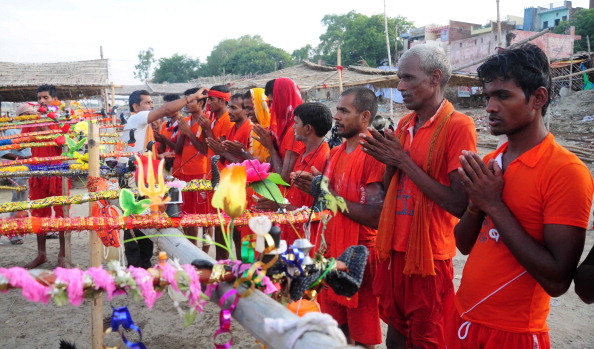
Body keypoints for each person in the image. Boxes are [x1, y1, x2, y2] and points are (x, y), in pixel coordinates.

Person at [447, 44, 594, 348]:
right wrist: (476, 204)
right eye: (487, 96)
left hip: (514, 333)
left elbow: (557, 280)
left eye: (502, 95)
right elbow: (463, 244)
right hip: (464, 318)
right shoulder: (493, 162)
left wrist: (493, 205)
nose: (489, 106)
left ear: (538, 98)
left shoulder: (565, 171)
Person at [361, 44, 477, 349]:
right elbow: (391, 189)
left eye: (408, 78)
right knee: (395, 335)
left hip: (429, 257)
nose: (400, 87)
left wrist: (402, 161)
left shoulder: (458, 126)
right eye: (400, 79)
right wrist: (389, 162)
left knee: (427, 338)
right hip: (394, 248)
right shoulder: (403, 125)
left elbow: (459, 203)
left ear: (435, 78)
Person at [297, 87, 386, 348]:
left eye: (344, 111)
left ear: (365, 116)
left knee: (363, 336)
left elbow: (375, 216)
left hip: (360, 257)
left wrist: (327, 194)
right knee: (335, 329)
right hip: (332, 250)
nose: (336, 116)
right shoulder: (336, 153)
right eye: (337, 109)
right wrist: (313, 186)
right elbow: (329, 199)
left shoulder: (373, 153)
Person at [121, 88, 208, 268]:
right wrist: (191, 97)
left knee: (147, 218)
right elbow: (166, 110)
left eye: (152, 103)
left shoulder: (142, 123)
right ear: (135, 106)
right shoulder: (136, 118)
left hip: (145, 175)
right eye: (147, 103)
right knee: (135, 220)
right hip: (134, 177)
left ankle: (143, 264)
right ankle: (136, 266)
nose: (151, 106)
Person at [256, 102, 333, 246]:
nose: (293, 127)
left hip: (308, 238)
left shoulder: (325, 159)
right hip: (292, 230)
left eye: (296, 123)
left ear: (308, 128)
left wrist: (280, 207)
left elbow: (323, 211)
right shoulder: (303, 153)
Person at [23, 84, 71, 268]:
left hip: (58, 172)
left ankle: (63, 254)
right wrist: (36, 131)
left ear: (54, 99)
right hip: (37, 172)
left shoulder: (64, 117)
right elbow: (23, 141)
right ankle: (41, 254)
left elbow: (70, 143)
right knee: (38, 213)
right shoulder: (32, 120)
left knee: (62, 213)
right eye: (39, 98)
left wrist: (54, 131)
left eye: (45, 98)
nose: (41, 101)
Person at [198, 85, 234, 260]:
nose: (208, 103)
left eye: (211, 99)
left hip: (224, 176)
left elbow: (223, 151)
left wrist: (207, 130)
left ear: (222, 100)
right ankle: (220, 262)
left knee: (223, 225)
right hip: (213, 175)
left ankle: (224, 263)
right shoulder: (212, 119)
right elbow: (207, 150)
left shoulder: (227, 120)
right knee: (217, 223)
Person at [173, 88, 210, 247]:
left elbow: (204, 150)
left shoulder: (206, 120)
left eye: (191, 101)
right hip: (184, 172)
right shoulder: (185, 120)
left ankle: (205, 253)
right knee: (187, 215)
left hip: (201, 172)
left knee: (205, 216)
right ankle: (192, 250)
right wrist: (183, 133)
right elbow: (177, 150)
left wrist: (188, 133)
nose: (187, 104)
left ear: (201, 102)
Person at [253, 78, 304, 182]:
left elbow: (285, 178)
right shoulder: (282, 127)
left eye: (273, 103)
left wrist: (271, 148)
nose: (271, 109)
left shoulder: (294, 130)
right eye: (269, 104)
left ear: (284, 100)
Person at [0, 103, 33, 245]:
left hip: (32, 166)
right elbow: (4, 152)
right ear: (20, 116)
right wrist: (21, 159)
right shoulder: (10, 130)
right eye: (28, 114)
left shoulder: (31, 129)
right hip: (19, 168)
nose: (31, 117)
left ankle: (21, 229)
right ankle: (12, 232)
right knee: (18, 198)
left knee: (25, 199)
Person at [207, 93, 253, 165]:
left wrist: (223, 152)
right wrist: (218, 150)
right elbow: (226, 161)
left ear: (245, 110)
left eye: (233, 108)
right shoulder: (230, 130)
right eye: (229, 107)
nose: (229, 111)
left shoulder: (251, 130)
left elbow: (250, 165)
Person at [154, 93, 181, 172]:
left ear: (178, 106)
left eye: (168, 107)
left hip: (179, 165)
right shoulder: (165, 125)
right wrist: (160, 140)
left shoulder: (184, 123)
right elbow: (162, 149)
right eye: (164, 107)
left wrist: (164, 139)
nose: (166, 110)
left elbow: (179, 149)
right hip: (167, 164)